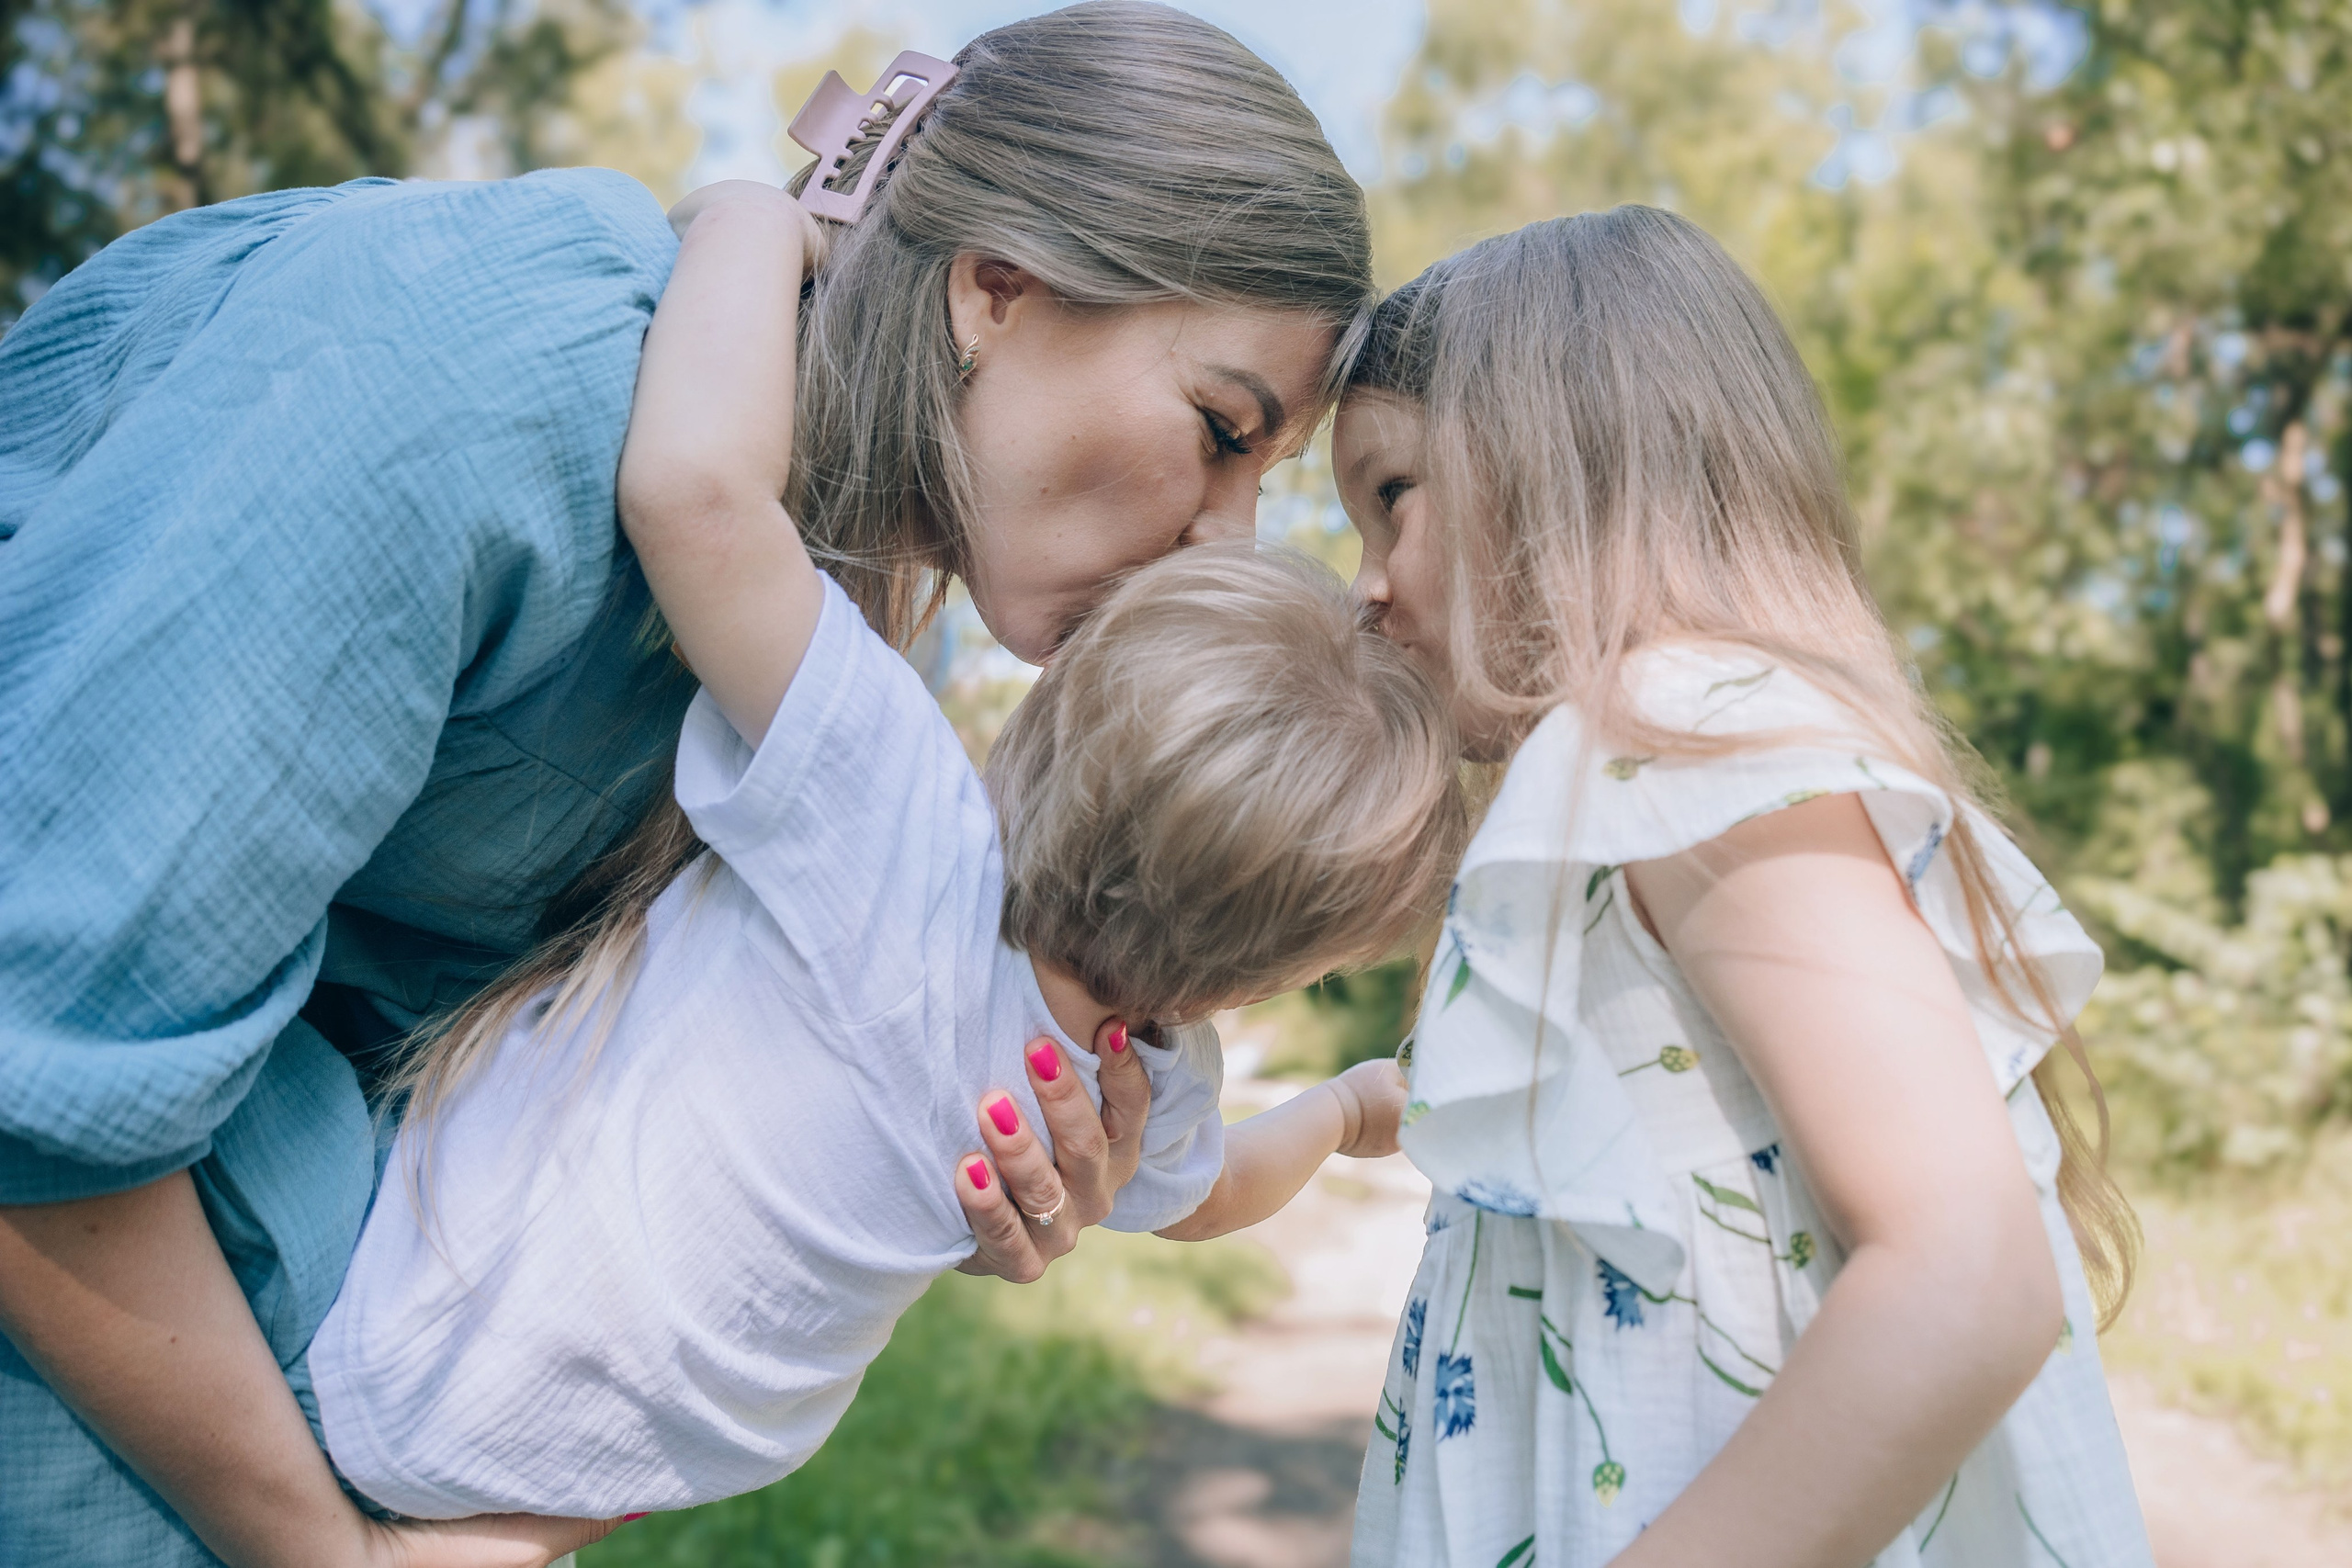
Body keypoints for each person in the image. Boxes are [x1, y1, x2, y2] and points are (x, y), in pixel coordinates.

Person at [0, 5, 1372, 1562]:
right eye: (1219, 430)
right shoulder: (507, 376)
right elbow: (40, 1064)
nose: (1228, 541)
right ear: (996, 288)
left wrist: (910, 1172)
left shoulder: (846, 651)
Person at [301, 179, 1463, 1518]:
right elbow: (1214, 1197)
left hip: (399, 1306)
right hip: (601, 1469)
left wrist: (765, 221)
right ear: (1241, 987)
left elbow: (697, 498)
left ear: (1048, 732)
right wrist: (1350, 1108)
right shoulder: (1127, 1084)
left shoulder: (899, 816)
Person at [1333, 208, 2153, 1567]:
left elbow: (1966, 1277)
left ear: (1558, 462)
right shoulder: (1627, 776)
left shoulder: (1677, 729)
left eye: (1392, 500)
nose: (1362, 587)